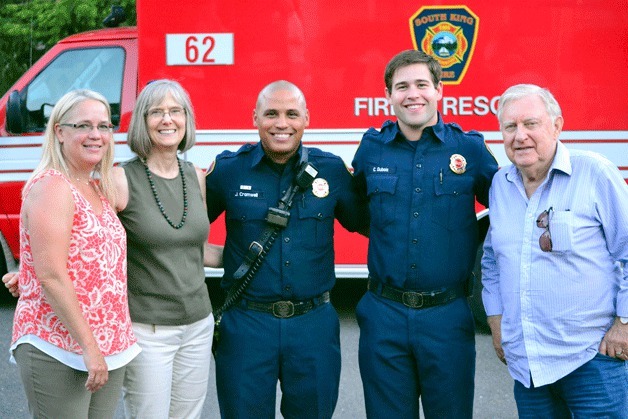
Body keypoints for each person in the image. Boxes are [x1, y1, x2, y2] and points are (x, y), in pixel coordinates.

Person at [205, 80, 368, 418]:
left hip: (313, 326)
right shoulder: (228, 171)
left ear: (306, 118)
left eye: (292, 114)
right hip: (247, 324)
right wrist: (215, 258)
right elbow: (181, 231)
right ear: (255, 118)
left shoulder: (332, 170)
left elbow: (371, 225)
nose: (282, 123)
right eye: (271, 114)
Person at [351, 49, 498, 418]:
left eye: (421, 84)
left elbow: (509, 214)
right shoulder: (371, 148)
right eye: (402, 87)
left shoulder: (470, 149)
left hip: (446, 316)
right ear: (388, 96)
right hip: (384, 314)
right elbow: (355, 214)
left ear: (439, 90)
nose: (412, 94)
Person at [481, 83, 628, 417]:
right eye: (510, 126)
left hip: (591, 360)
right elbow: (491, 262)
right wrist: (496, 322)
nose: (520, 136)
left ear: (557, 126)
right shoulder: (501, 185)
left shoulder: (593, 173)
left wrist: (625, 323)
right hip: (528, 366)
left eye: (531, 124)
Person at [8, 89, 140, 418]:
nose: (96, 134)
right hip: (60, 346)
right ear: (60, 132)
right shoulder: (53, 186)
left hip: (109, 345)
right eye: (83, 125)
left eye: (104, 126)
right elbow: (52, 275)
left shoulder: (98, 186)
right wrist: (90, 347)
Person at [113, 79, 222, 418]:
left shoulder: (196, 175)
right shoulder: (120, 179)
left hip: (198, 324)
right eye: (156, 112)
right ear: (142, 122)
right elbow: (92, 248)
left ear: (186, 119)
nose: (167, 119)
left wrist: (262, 254)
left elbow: (198, 251)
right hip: (148, 330)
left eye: (175, 111)